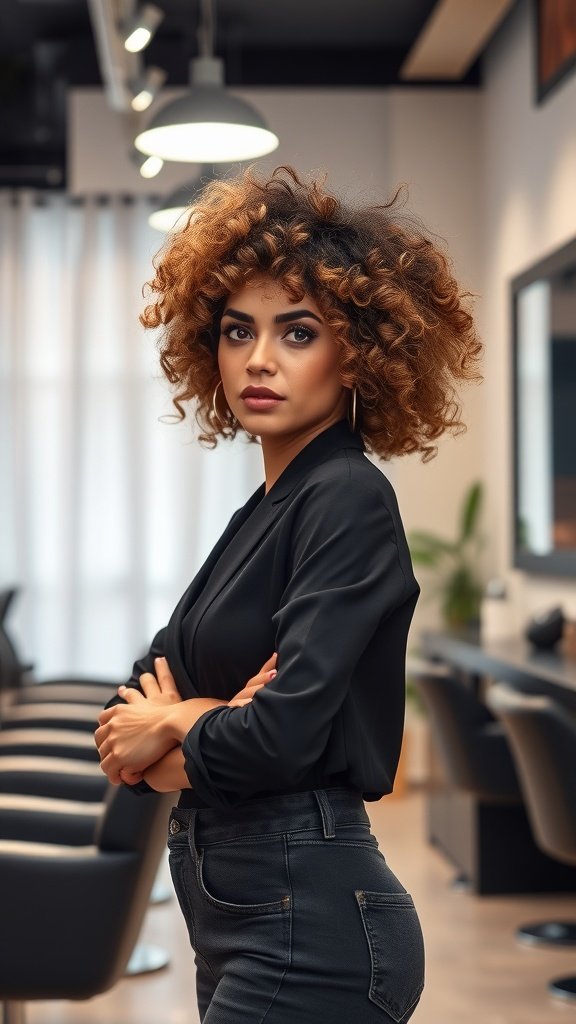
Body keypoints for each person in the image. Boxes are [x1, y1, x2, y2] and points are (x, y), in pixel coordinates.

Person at [95, 164, 482, 1023]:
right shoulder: (267, 508)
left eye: (298, 333)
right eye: (238, 331)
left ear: (360, 355)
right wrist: (183, 717)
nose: (259, 360)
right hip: (235, 913)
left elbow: (279, 735)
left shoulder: (346, 496)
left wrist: (180, 718)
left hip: (309, 921)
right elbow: (128, 706)